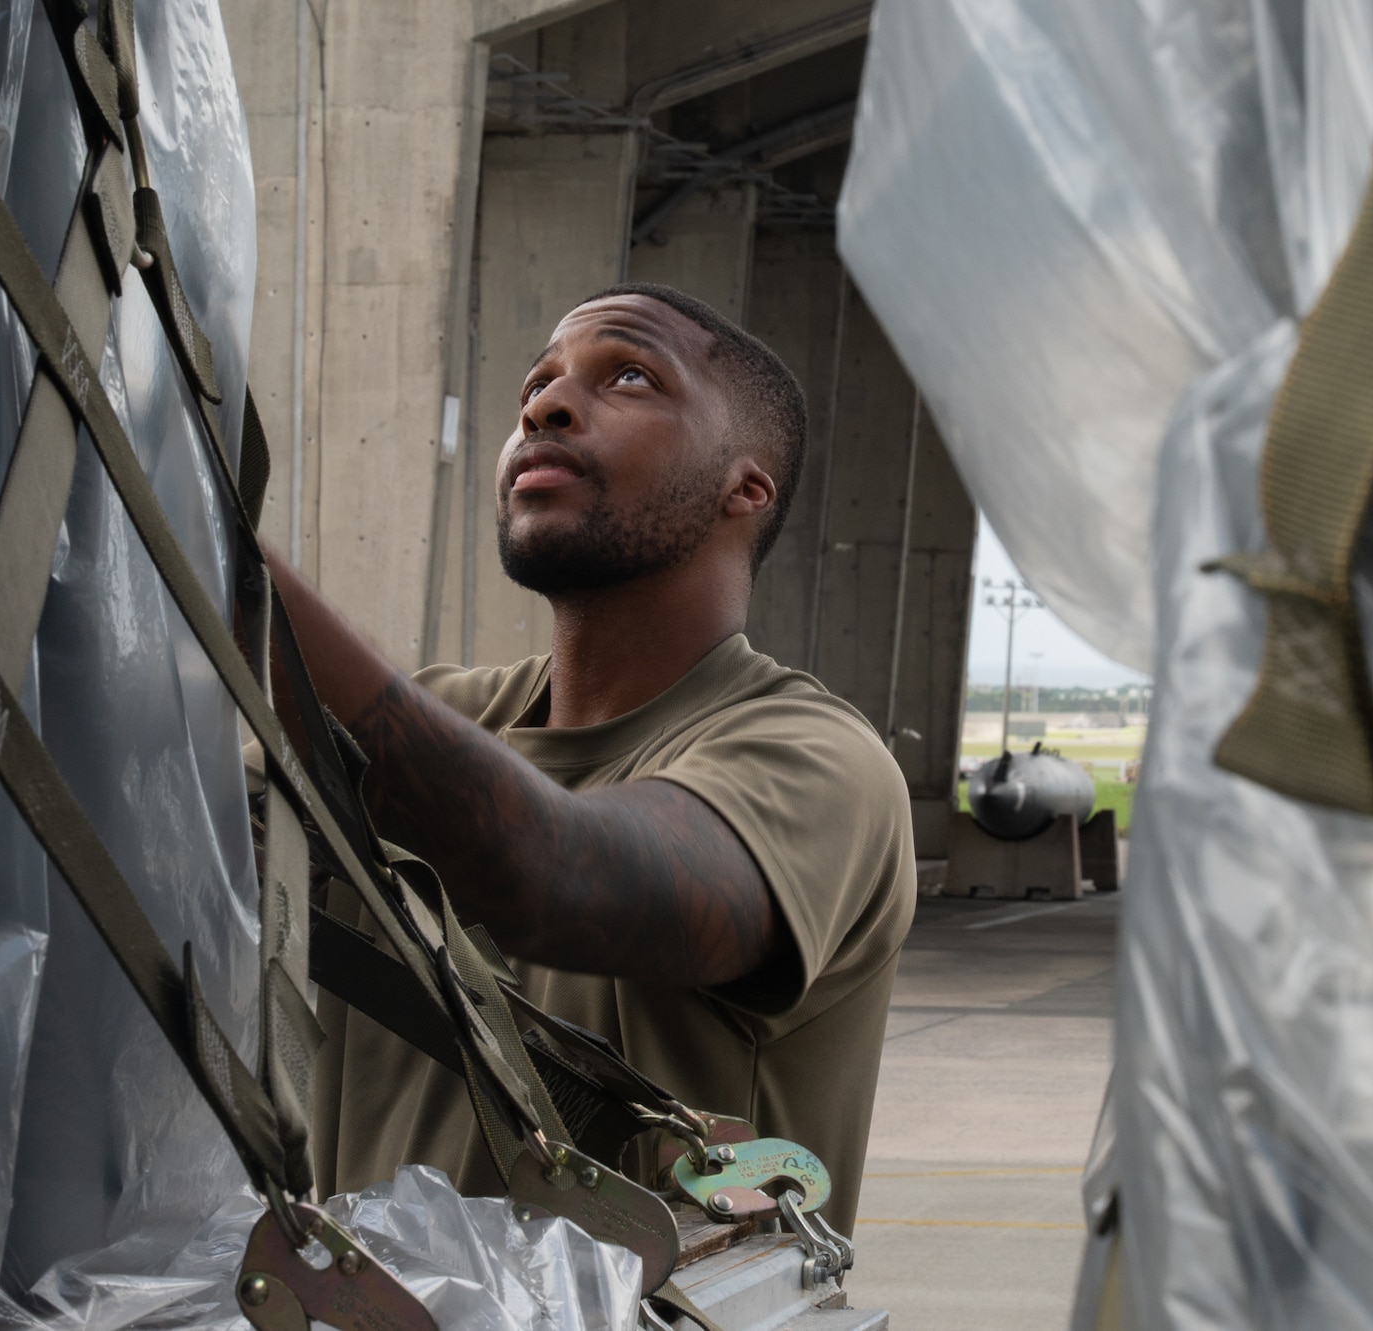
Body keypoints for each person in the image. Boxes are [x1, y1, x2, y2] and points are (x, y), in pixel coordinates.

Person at [265, 282, 915, 1225]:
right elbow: (157, 838)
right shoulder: (448, 715)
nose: (545, 404)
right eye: (538, 381)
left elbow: (551, 875)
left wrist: (218, 554)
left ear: (748, 485)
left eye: (630, 376)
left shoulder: (818, 761)